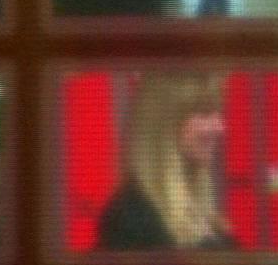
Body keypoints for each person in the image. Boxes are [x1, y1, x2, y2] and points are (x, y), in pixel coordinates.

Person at [95, 75, 238, 251]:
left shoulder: (202, 212)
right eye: (204, 114)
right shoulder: (132, 218)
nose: (220, 127)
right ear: (165, 123)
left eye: (219, 112)